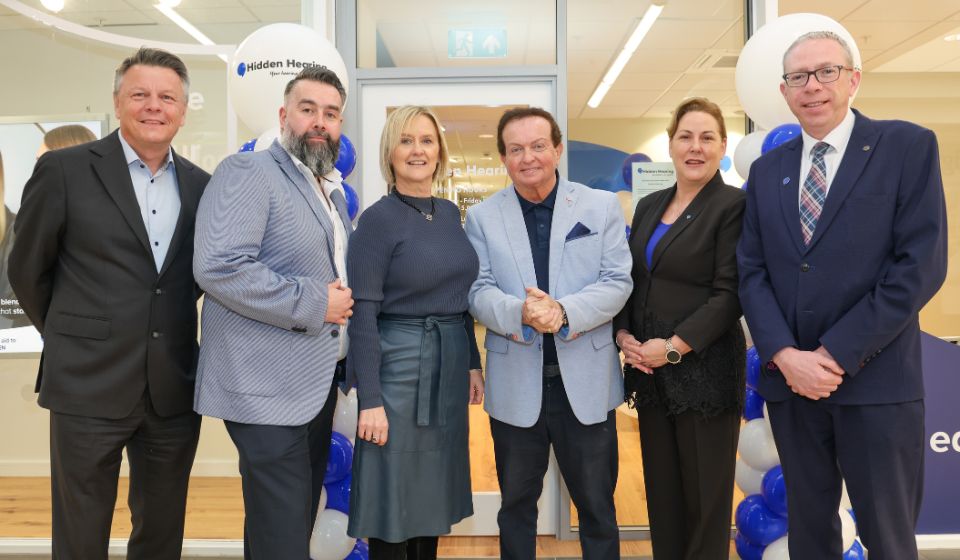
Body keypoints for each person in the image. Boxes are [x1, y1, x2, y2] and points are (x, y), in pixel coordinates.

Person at [737, 31, 948, 560]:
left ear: (853, 79)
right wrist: (787, 356)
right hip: (793, 390)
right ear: (785, 93)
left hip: (876, 385)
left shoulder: (906, 147)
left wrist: (832, 355)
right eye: (798, 78)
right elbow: (752, 272)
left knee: (887, 539)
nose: (813, 86)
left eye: (826, 71)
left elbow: (919, 267)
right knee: (811, 536)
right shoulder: (767, 172)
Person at [8, 47, 209, 559]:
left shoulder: (203, 186)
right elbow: (27, 269)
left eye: (167, 97)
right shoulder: (64, 171)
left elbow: (197, 278)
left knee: (161, 532)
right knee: (80, 534)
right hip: (86, 384)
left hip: (172, 388)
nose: (153, 106)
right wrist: (73, 334)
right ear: (118, 102)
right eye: (139, 94)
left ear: (183, 110)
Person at [193, 66, 354, 559]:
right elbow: (217, 267)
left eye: (331, 114)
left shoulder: (327, 189)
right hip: (263, 388)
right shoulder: (249, 172)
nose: (320, 122)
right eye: (309, 110)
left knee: (281, 530)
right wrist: (315, 302)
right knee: (283, 537)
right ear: (284, 115)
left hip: (311, 387)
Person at [465, 107, 632, 560]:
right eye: (516, 149)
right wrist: (521, 311)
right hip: (517, 384)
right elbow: (477, 291)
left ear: (557, 149)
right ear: (503, 158)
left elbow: (618, 281)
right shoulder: (482, 218)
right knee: (516, 508)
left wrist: (562, 311)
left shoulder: (598, 207)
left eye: (539, 146)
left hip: (586, 383)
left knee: (597, 508)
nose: (528, 158)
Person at [345, 105, 483, 560]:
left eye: (426, 140)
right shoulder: (377, 220)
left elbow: (458, 293)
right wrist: (370, 400)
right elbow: (362, 313)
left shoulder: (446, 213)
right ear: (389, 152)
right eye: (406, 140)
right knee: (393, 497)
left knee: (430, 496)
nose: (417, 150)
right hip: (397, 370)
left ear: (439, 151)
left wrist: (471, 362)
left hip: (445, 370)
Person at [613, 97, 745, 560]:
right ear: (670, 144)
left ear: (723, 146)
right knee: (664, 498)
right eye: (685, 136)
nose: (695, 147)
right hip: (651, 374)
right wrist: (624, 336)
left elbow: (730, 294)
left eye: (707, 137)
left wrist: (671, 348)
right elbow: (631, 279)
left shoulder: (733, 206)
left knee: (706, 503)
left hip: (703, 371)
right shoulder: (650, 206)